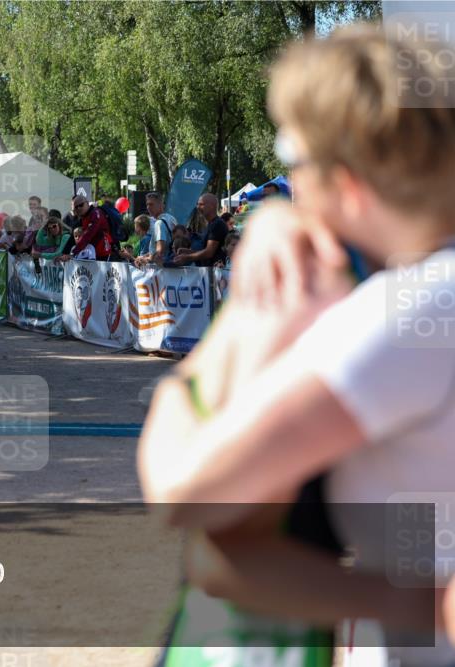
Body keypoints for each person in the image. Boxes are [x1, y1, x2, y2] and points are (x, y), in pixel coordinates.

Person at [139, 26, 455, 664]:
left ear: (347, 180)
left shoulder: (415, 310)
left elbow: (186, 492)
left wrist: (178, 386)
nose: (288, 184)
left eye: (293, 158)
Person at [172, 193, 227, 267]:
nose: (198, 207)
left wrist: (186, 257)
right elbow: (206, 251)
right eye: (197, 204)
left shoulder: (217, 224)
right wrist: (188, 252)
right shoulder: (211, 224)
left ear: (212, 206)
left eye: (201, 204)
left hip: (216, 272)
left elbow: (209, 253)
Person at [69, 195, 113, 261]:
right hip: (92, 253)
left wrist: (73, 253)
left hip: (103, 253)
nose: (78, 208)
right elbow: (72, 236)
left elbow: (88, 234)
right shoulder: (82, 217)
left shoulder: (95, 213)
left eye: (81, 205)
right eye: (76, 207)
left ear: (87, 203)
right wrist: (64, 254)